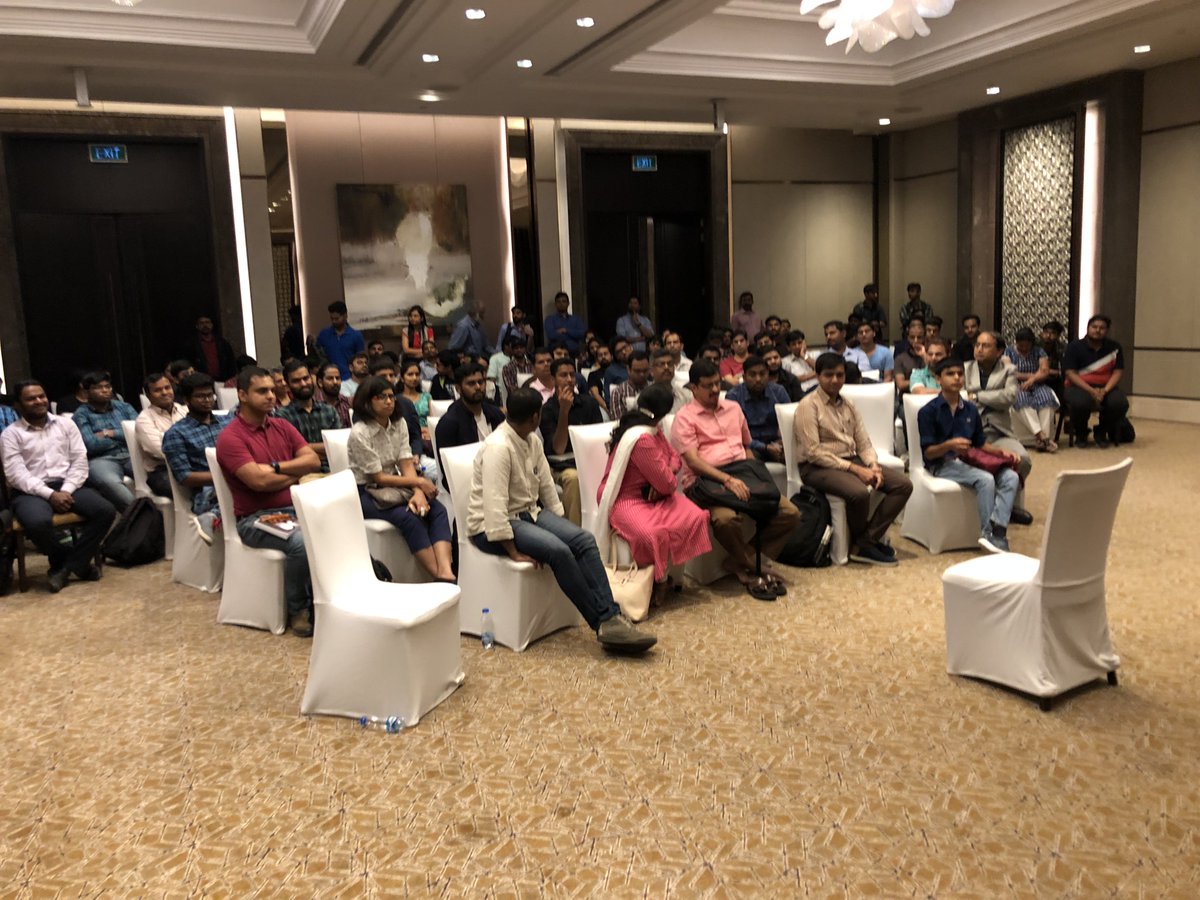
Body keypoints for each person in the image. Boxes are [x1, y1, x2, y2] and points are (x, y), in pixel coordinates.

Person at [466, 387, 656, 652]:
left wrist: (560, 525)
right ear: (535, 416)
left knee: (583, 540)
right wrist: (513, 552)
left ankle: (611, 615)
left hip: (529, 513)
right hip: (493, 527)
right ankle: (603, 623)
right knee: (560, 551)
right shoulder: (498, 447)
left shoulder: (530, 441)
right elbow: (494, 507)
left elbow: (546, 485)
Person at [672, 360, 799, 599]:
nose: (714, 390)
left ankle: (739, 560)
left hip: (742, 472)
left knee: (790, 513)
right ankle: (752, 566)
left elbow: (746, 446)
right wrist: (728, 480)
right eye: (707, 386)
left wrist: (755, 475)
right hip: (706, 481)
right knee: (725, 520)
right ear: (693, 388)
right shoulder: (684, 418)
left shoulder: (733, 408)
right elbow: (694, 462)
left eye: (717, 383)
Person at [215, 366, 322, 637]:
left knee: (341, 523)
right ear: (242, 395)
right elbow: (258, 482)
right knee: (301, 542)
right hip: (256, 518)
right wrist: (294, 474)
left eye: (273, 390)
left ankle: (330, 599)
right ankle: (299, 609)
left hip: (297, 507)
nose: (271, 396)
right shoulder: (230, 437)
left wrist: (275, 467)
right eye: (262, 391)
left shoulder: (282, 426)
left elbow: (313, 460)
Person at [597, 381, 711, 606]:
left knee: (696, 516)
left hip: (656, 496)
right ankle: (659, 580)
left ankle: (670, 576)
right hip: (628, 499)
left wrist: (668, 469)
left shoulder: (653, 429)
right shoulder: (642, 439)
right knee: (652, 534)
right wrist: (666, 475)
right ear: (664, 413)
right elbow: (668, 484)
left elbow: (674, 457)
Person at [795, 353, 912, 566]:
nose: (835, 380)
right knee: (858, 492)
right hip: (816, 467)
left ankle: (865, 542)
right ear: (818, 376)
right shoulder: (808, 405)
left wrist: (873, 465)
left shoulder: (848, 404)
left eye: (839, 375)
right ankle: (864, 544)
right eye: (828, 375)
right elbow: (813, 452)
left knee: (903, 485)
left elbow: (864, 442)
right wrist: (857, 470)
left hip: (850, 459)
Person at [1, 380, 117, 593]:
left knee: (105, 511)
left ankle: (66, 568)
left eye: (41, 396)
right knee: (37, 522)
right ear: (18, 404)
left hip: (68, 485)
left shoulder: (66, 425)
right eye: (31, 399)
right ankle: (75, 562)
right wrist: (50, 494)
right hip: (29, 491)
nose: (39, 401)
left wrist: (66, 490)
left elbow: (80, 460)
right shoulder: (10, 434)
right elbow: (16, 474)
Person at [346, 376, 453, 581]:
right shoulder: (360, 433)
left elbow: (406, 463)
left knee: (437, 509)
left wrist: (418, 492)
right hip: (366, 491)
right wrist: (419, 482)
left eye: (391, 396)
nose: (389, 401)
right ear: (367, 401)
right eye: (381, 397)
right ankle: (441, 578)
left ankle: (446, 572)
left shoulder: (399, 423)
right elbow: (378, 477)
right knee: (409, 517)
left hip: (396, 485)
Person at [918, 357, 1021, 553]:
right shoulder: (928, 411)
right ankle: (987, 534)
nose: (957, 378)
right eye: (950, 374)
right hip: (942, 464)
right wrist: (949, 445)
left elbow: (979, 442)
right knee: (986, 479)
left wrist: (1000, 452)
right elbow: (928, 453)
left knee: (1011, 477)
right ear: (938, 379)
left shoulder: (971, 409)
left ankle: (999, 531)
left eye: (960, 374)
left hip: (971, 459)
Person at [963, 331, 1033, 526]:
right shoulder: (965, 368)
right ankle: (1000, 506)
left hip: (999, 432)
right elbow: (961, 396)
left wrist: (977, 396)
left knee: (1023, 459)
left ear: (999, 351)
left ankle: (1007, 505)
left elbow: (1009, 397)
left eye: (986, 346)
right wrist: (991, 397)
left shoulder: (1008, 370)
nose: (979, 349)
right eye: (977, 345)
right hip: (971, 433)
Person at [162, 372, 229, 542]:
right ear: (186, 400)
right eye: (200, 396)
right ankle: (212, 515)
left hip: (236, 479)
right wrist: (224, 476)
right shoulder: (176, 433)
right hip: (206, 492)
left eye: (210, 395)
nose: (207, 400)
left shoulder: (227, 422)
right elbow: (184, 477)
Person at [539, 357, 603, 525]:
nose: (569, 379)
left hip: (588, 459)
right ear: (553, 379)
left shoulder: (589, 403)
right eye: (563, 375)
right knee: (573, 478)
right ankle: (576, 531)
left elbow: (600, 438)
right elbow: (558, 449)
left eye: (572, 375)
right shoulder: (547, 409)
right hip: (560, 465)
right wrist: (564, 412)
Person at [72, 370, 137, 511]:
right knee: (111, 483)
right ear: (87, 392)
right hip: (102, 460)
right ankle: (141, 516)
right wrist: (123, 436)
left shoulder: (124, 407)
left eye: (107, 386)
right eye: (98, 387)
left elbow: (137, 433)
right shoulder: (81, 415)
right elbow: (91, 445)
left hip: (131, 454)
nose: (105, 390)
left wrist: (109, 433)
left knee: (157, 473)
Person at [434, 363, 505, 489]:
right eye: (471, 383)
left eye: (481, 382)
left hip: (499, 475)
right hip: (467, 484)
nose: (478, 387)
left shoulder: (495, 414)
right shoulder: (448, 424)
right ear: (458, 388)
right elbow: (449, 471)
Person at [1063, 314, 1129, 448]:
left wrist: (1105, 390)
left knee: (1119, 403)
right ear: (1088, 328)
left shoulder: (1114, 347)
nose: (1097, 330)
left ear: (1107, 330)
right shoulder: (1074, 347)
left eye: (1102, 328)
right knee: (1081, 402)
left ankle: (1101, 431)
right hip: (1079, 386)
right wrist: (1091, 390)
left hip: (1105, 386)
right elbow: (1070, 373)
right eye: (1094, 327)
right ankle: (1081, 433)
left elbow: (1118, 372)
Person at [275, 360, 341, 473]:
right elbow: (289, 453)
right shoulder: (282, 416)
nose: (303, 384)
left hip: (335, 471)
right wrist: (325, 449)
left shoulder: (329, 411)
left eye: (306, 378)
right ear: (288, 386)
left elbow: (339, 446)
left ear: (312, 379)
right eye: (296, 381)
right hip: (303, 475)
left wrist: (304, 448)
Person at [1005, 327, 1060, 452]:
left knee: (1046, 398)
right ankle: (1040, 434)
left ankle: (1044, 439)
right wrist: (1032, 375)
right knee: (1021, 399)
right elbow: (1010, 372)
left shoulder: (1039, 351)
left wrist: (1032, 379)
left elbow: (1044, 371)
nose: (1024, 348)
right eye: (1021, 346)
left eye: (1027, 346)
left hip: (1037, 383)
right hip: (1016, 384)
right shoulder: (1008, 352)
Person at [726, 355, 789, 462]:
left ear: (768, 375)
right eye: (752, 375)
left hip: (776, 443)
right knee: (748, 462)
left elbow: (790, 424)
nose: (758, 379)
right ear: (744, 377)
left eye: (762, 374)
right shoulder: (734, 396)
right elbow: (735, 433)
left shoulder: (778, 391)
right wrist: (764, 447)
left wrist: (782, 442)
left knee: (799, 457)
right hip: (748, 446)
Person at [135, 371, 187, 498]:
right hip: (161, 471)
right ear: (148, 396)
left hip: (190, 464)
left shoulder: (185, 410)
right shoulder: (144, 419)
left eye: (167, 387)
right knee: (191, 487)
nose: (164, 392)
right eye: (157, 390)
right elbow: (160, 451)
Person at [316, 300, 366, 380]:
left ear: (345, 316)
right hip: (330, 378)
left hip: (350, 378)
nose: (334, 321)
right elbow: (318, 356)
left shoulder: (356, 336)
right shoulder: (324, 335)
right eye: (332, 319)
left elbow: (361, 360)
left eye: (337, 318)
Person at [187, 315, 237, 382]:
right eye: (201, 323)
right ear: (197, 326)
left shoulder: (222, 343)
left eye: (207, 322)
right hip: (202, 382)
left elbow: (231, 362)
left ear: (212, 325)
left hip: (223, 381)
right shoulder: (192, 345)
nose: (205, 325)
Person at [608, 350, 651, 420]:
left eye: (645, 370)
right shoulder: (618, 392)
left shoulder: (655, 389)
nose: (642, 374)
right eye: (637, 371)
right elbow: (619, 421)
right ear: (628, 369)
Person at [651, 348, 693, 414]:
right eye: (661, 364)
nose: (666, 367)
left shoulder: (687, 396)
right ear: (651, 371)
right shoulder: (643, 399)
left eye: (670, 364)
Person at [400, 360, 433, 435]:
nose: (414, 378)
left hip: (426, 434)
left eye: (417, 374)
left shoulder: (427, 397)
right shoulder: (398, 399)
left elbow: (432, 421)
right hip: (405, 434)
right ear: (402, 378)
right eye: (410, 374)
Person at [314, 362, 352, 428]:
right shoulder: (313, 404)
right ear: (320, 382)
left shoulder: (348, 402)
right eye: (330, 378)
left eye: (337, 378)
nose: (335, 382)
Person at [1040, 320, 1066, 401]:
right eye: (1046, 332)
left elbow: (1063, 369)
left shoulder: (1062, 348)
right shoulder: (1035, 346)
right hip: (1037, 376)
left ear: (1058, 336)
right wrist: (1050, 371)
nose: (1048, 336)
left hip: (1055, 379)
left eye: (1052, 333)